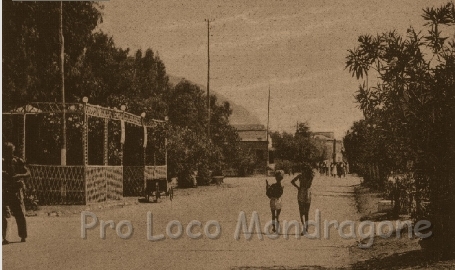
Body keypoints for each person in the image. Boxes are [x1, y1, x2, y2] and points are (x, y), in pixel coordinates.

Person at [2, 142, 30, 244]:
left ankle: (23, 235)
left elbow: (28, 173)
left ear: (13, 150)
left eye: (10, 151)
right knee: (4, 215)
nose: (9, 153)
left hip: (15, 190)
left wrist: (19, 175)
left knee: (19, 213)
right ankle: (5, 237)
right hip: (4, 190)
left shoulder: (18, 161)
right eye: (6, 151)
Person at [291, 163, 315, 235]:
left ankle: (304, 227)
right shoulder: (310, 176)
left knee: (301, 212)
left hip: (301, 192)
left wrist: (298, 187)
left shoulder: (300, 175)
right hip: (308, 192)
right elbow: (309, 184)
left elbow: (292, 181)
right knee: (307, 212)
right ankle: (306, 228)